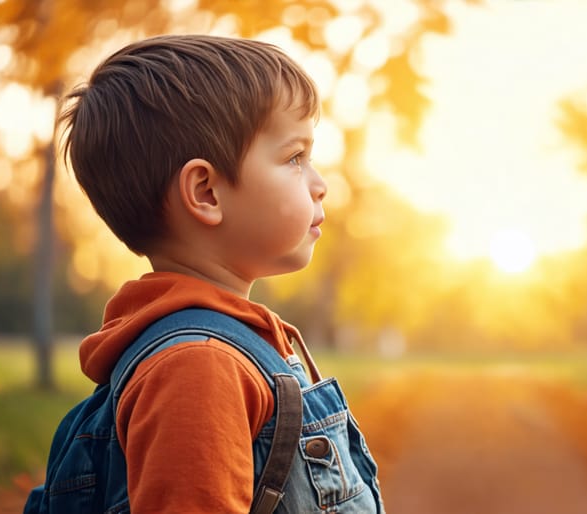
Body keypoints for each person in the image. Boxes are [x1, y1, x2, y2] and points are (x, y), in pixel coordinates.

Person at [58, 35, 385, 513]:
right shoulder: (198, 368)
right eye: (295, 158)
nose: (320, 185)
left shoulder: (227, 346)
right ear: (207, 192)